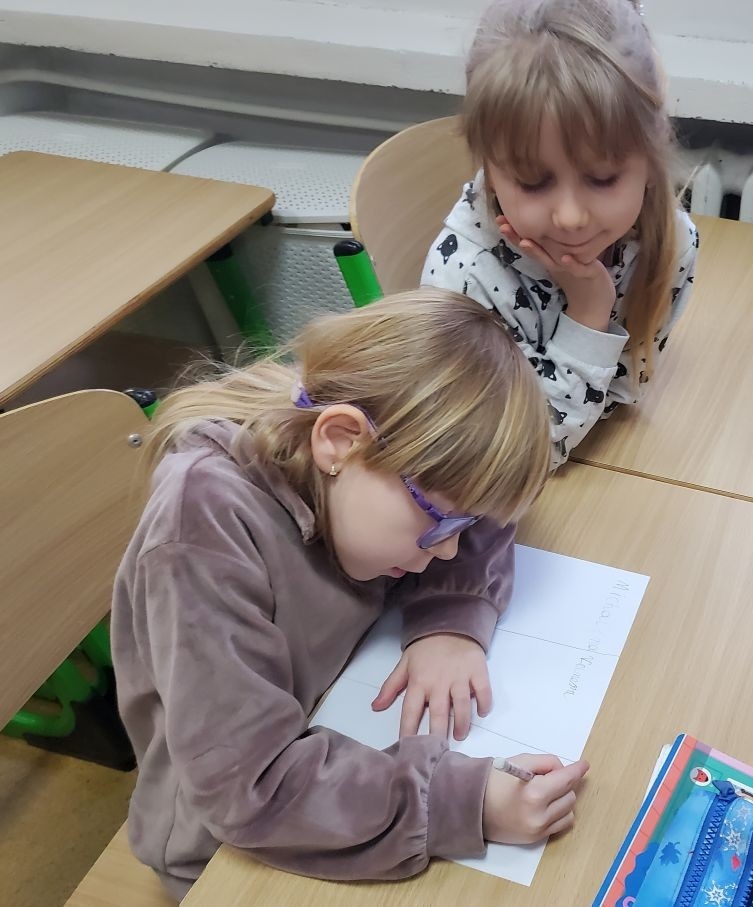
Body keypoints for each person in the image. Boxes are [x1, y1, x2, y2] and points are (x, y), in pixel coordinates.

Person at [111, 290, 589, 900]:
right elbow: (247, 785)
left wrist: (448, 613)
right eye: (438, 525)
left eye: (460, 529)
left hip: (332, 716)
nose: (448, 550)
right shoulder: (203, 527)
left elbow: (481, 516)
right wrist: (460, 803)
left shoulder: (360, 458)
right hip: (224, 850)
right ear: (339, 440)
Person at [421, 0, 698, 468]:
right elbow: (517, 458)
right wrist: (588, 312)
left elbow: (622, 393)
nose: (570, 218)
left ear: (652, 163)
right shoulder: (463, 279)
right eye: (533, 182)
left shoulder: (669, 241)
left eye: (602, 178)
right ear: (489, 168)